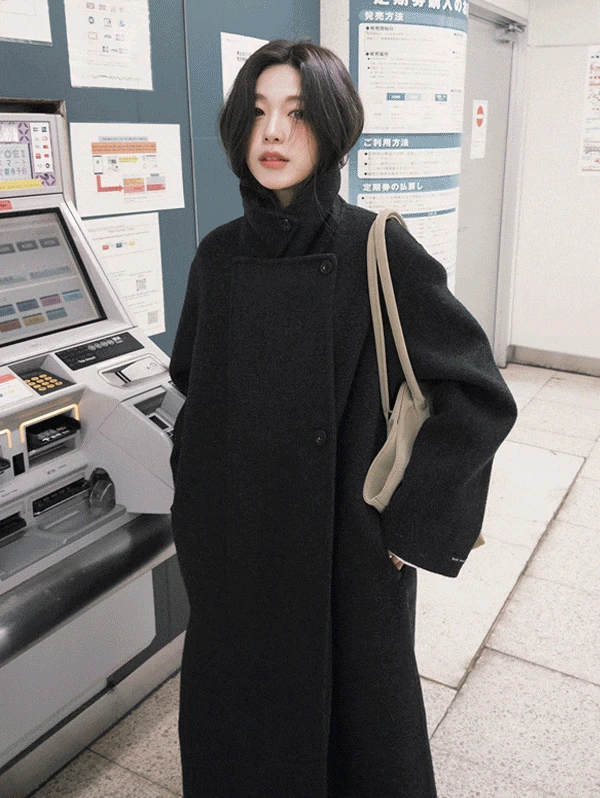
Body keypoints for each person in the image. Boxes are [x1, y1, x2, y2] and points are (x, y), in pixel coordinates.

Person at [169, 39, 517, 798]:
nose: (273, 133)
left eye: (297, 114)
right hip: (234, 548)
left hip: (343, 555)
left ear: (330, 127)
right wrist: (194, 506)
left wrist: (403, 529)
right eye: (257, 112)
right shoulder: (218, 255)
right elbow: (194, 386)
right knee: (242, 735)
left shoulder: (375, 245)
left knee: (353, 747)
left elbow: (477, 392)